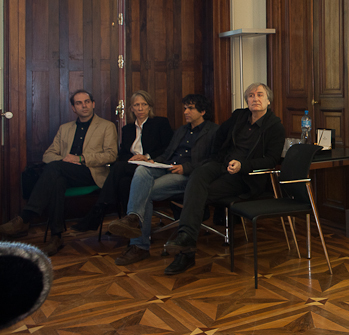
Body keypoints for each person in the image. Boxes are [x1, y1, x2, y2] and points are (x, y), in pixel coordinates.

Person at [162, 83, 285, 275]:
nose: (255, 99)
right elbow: (219, 135)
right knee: (198, 175)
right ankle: (185, 238)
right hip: (221, 164)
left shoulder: (275, 126)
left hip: (244, 176)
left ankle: (185, 250)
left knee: (198, 193)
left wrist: (243, 165)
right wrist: (218, 156)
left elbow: (271, 160)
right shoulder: (239, 116)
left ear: (268, 100)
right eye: (251, 95)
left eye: (260, 95)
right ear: (247, 100)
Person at [0, 90, 118, 256]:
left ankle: (25, 217)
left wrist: (80, 159)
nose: (84, 105)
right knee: (57, 180)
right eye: (79, 103)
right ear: (73, 108)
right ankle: (56, 238)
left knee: (55, 169)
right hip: (65, 172)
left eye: (87, 102)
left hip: (91, 173)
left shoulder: (107, 126)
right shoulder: (65, 129)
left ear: (93, 104)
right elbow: (48, 155)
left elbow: (111, 155)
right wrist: (66, 160)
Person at [107, 94, 218, 265]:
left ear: (202, 111)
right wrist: (154, 162)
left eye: (190, 108)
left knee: (144, 192)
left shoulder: (213, 131)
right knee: (142, 169)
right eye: (185, 108)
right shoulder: (182, 130)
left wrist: (186, 168)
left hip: (188, 176)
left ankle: (139, 246)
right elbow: (168, 154)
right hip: (167, 167)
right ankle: (133, 219)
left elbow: (213, 160)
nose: (186, 112)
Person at [74, 90, 173, 231]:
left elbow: (168, 148)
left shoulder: (160, 123)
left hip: (152, 166)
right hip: (133, 167)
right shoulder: (127, 129)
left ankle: (99, 208)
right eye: (136, 105)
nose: (140, 108)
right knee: (123, 182)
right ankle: (132, 228)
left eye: (144, 104)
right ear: (131, 108)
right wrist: (134, 159)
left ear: (149, 106)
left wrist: (146, 157)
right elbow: (123, 154)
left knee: (119, 168)